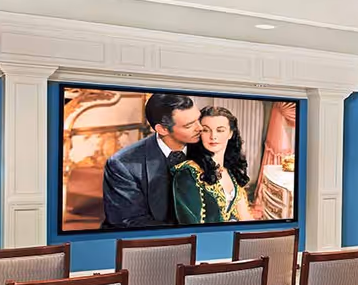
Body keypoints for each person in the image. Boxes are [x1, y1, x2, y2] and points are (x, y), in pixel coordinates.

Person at [102, 94, 202, 228]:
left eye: (198, 119)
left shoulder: (209, 147)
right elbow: (130, 221)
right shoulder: (123, 164)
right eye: (189, 125)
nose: (200, 128)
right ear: (162, 129)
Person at [171, 106, 254, 224]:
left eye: (220, 130)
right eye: (206, 130)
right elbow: (191, 224)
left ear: (230, 133)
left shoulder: (231, 172)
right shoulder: (187, 173)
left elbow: (245, 217)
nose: (213, 136)